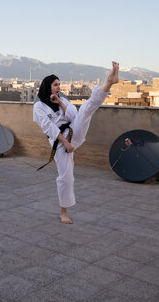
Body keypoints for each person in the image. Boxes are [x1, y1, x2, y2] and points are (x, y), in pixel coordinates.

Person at [33, 61, 119, 224]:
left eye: (59, 84)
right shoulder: (39, 107)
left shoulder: (61, 99)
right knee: (66, 177)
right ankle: (63, 212)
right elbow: (49, 128)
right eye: (55, 85)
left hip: (73, 131)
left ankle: (109, 82)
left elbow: (74, 116)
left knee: (86, 110)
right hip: (60, 143)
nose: (58, 87)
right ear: (47, 86)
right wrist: (66, 143)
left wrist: (60, 102)